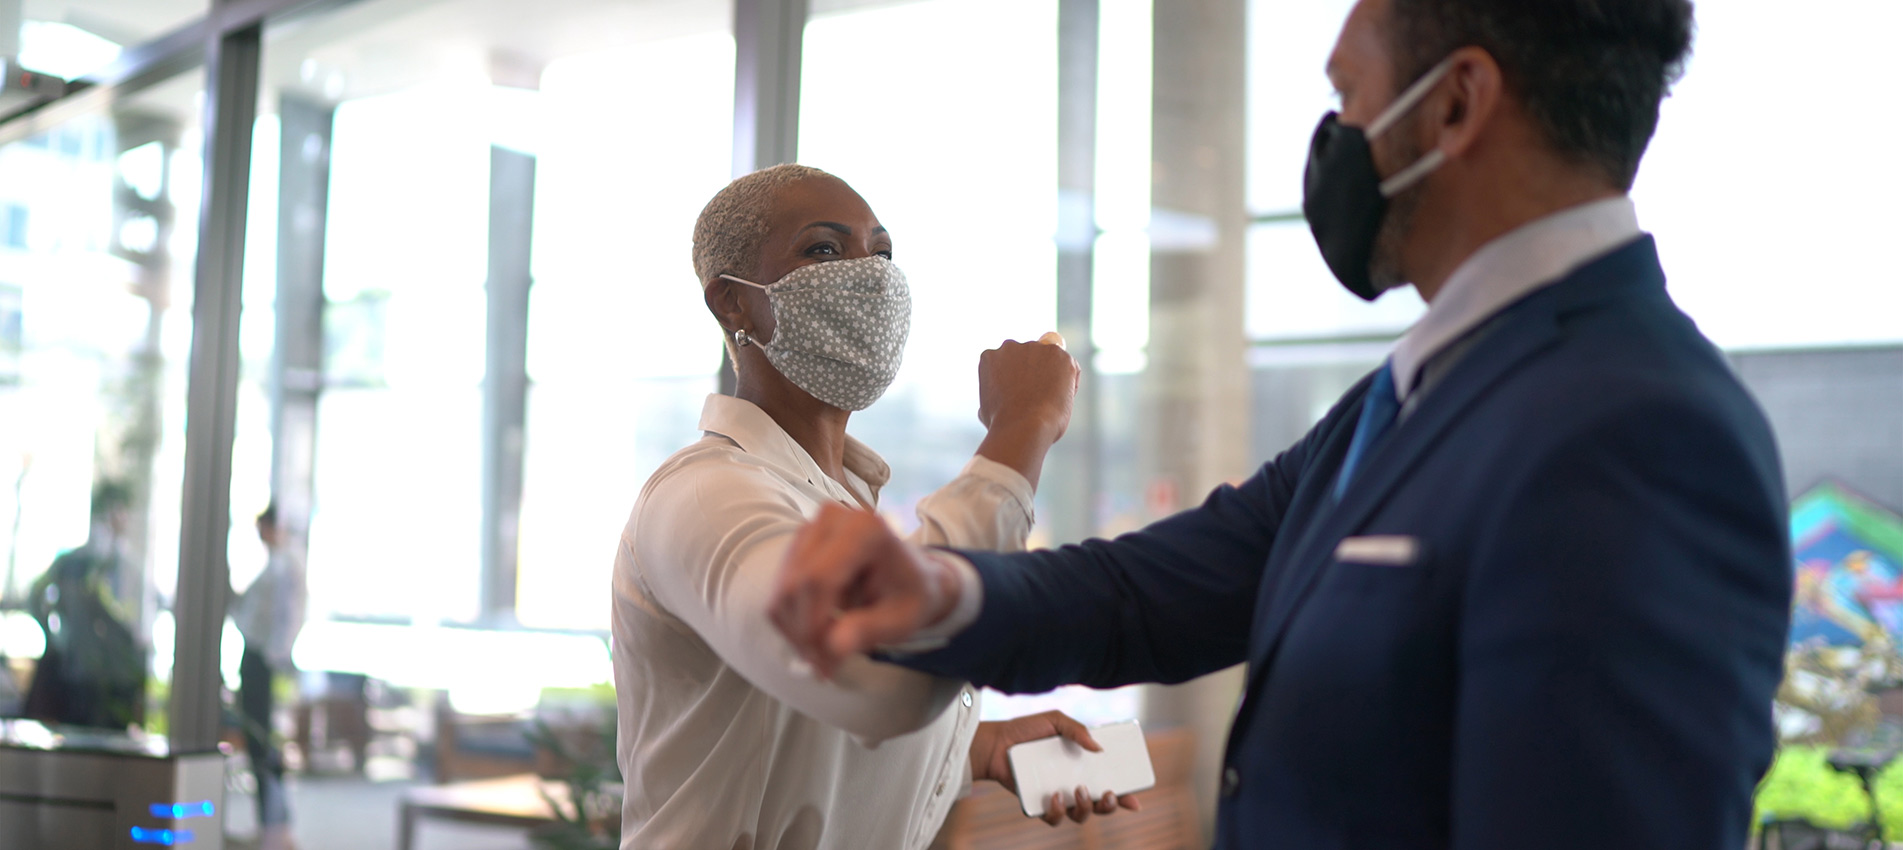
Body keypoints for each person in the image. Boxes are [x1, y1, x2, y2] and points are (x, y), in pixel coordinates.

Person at [769, 1, 1794, 847]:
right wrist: (933, 588)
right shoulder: (1411, 391)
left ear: (1456, 105)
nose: (1331, 137)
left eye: (1346, 95)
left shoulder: (1638, 431)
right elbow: (1148, 593)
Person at [611, 164, 1134, 850]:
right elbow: (876, 679)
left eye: (881, 252)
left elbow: (802, 732)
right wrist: (1020, 431)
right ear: (731, 304)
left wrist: (977, 749)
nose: (871, 276)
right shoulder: (709, 496)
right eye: (823, 250)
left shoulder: (834, 500)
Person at [24, 479, 144, 729]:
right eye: (120, 511)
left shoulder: (126, 568)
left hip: (109, 678)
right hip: (80, 676)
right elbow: (36, 596)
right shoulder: (75, 563)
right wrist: (54, 639)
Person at [232, 502, 307, 850]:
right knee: (259, 743)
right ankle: (270, 825)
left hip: (264, 661)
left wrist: (276, 657)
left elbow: (288, 616)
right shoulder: (276, 564)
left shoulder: (285, 565)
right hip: (258, 658)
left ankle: (275, 827)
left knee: (264, 742)